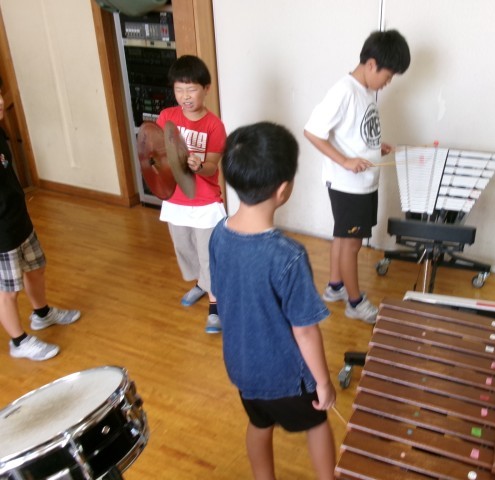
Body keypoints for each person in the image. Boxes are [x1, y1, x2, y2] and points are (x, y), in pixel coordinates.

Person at [209, 122, 336, 480]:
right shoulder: (288, 255)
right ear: (283, 190)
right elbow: (305, 331)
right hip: (285, 375)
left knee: (259, 423)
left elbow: (218, 295)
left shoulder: (219, 234)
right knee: (317, 422)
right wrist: (323, 382)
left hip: (242, 368)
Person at [304, 29, 410, 324]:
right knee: (352, 244)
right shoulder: (344, 91)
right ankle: (355, 302)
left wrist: (376, 146)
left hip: (361, 185)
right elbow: (312, 132)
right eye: (388, 76)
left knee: (343, 237)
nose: (388, 82)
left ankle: (335, 286)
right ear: (372, 64)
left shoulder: (364, 93)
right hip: (348, 186)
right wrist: (345, 161)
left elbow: (355, 132)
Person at [0, 76, 80, 361]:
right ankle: (19, 342)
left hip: (18, 218)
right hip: (1, 233)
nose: (0, 102)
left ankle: (42, 314)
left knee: (36, 267)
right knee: (7, 291)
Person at [157, 55, 227, 334]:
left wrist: (199, 166)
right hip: (176, 200)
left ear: (206, 89)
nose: (185, 96)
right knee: (185, 249)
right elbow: (156, 154)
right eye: (179, 90)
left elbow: (212, 166)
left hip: (205, 201)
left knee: (208, 254)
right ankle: (201, 283)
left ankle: (215, 305)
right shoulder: (167, 117)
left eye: (191, 89)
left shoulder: (214, 125)